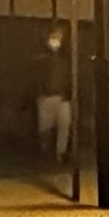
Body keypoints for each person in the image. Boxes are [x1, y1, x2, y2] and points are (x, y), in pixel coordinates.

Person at [35, 28, 74, 162]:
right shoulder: (41, 59)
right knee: (45, 129)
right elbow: (37, 79)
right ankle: (45, 151)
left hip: (62, 97)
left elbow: (71, 77)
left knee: (64, 127)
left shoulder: (67, 58)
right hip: (46, 97)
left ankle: (60, 154)